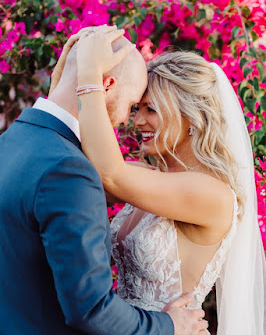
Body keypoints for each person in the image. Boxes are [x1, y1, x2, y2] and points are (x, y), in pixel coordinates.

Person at [0, 26, 208, 335]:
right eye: (131, 105)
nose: (128, 120)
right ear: (105, 85)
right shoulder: (69, 170)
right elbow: (92, 310)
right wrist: (169, 325)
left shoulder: (11, 140)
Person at [61, 25, 264, 334]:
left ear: (190, 116)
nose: (137, 120)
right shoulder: (148, 177)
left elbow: (110, 174)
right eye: (137, 107)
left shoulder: (212, 193)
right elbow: (76, 174)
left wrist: (90, 77)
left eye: (151, 109)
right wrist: (63, 77)